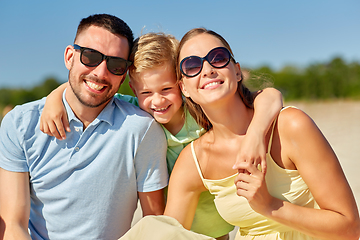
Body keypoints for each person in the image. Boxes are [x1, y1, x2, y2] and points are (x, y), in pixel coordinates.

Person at [40, 32, 283, 239]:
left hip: (219, 227)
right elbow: (90, 90)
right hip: (177, 226)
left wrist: (255, 134)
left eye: (166, 89)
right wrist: (55, 97)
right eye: (147, 92)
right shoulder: (135, 112)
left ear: (181, 84)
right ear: (134, 89)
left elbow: (269, 95)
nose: (157, 101)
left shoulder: (201, 112)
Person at [160, 28, 360, 239]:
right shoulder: (194, 161)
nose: (208, 69)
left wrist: (270, 206)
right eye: (192, 65)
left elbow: (350, 228)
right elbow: (170, 233)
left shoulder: (290, 126)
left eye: (218, 58)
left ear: (237, 71)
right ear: (184, 88)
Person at [0, 14, 168, 240]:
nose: (100, 73)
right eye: (90, 57)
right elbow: (13, 224)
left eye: (116, 64)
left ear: (124, 74)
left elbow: (153, 222)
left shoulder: (142, 130)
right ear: (70, 56)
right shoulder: (20, 124)